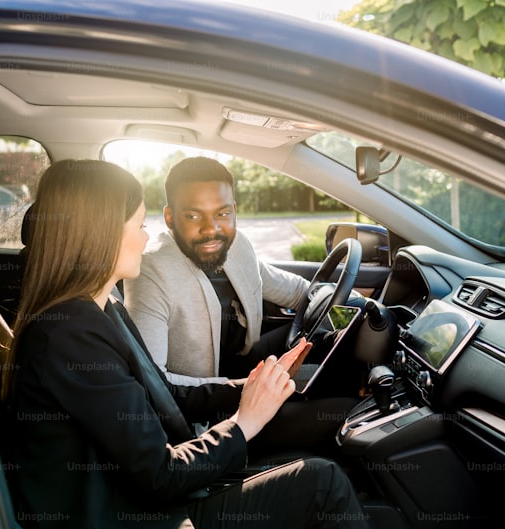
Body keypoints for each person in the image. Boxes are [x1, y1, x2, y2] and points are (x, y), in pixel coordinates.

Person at [2, 159, 498, 529]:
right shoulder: (67, 335)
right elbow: (158, 473)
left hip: (153, 527)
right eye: (138, 222)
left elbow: (163, 395)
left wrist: (249, 388)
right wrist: (247, 422)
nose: (146, 232)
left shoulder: (96, 311)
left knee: (321, 481)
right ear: (101, 233)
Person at [124, 156, 359, 453]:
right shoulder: (152, 271)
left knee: (331, 350)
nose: (212, 229)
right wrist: (247, 387)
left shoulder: (237, 246)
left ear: (234, 211)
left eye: (222, 214)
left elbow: (295, 291)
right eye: (194, 216)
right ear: (170, 217)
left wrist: (354, 303)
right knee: (348, 412)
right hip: (208, 409)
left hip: (243, 363)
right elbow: (155, 382)